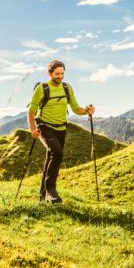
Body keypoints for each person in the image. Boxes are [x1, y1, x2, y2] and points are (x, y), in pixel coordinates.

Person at [27, 60, 95, 203]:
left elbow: (76, 108)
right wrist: (33, 129)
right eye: (57, 74)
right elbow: (31, 111)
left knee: (50, 158)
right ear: (50, 73)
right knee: (57, 153)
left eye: (62, 73)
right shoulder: (42, 88)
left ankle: (42, 197)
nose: (60, 76)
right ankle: (51, 190)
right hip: (44, 126)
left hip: (61, 128)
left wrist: (87, 110)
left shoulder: (66, 88)